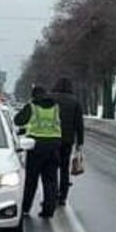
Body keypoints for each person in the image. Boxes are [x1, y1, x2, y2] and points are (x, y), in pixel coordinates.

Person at [14, 85, 65, 218]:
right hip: (54, 146)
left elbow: (18, 120)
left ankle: (25, 208)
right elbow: (61, 123)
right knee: (50, 180)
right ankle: (49, 210)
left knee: (32, 179)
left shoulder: (32, 106)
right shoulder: (56, 107)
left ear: (33, 96)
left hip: (36, 146)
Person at [51, 76, 86, 207]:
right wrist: (80, 143)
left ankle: (52, 194)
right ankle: (63, 196)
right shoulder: (75, 101)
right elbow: (79, 124)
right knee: (64, 168)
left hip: (52, 138)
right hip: (67, 140)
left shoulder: (51, 99)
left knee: (52, 168)